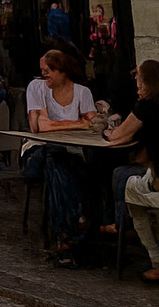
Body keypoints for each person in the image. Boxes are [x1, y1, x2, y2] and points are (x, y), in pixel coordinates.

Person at [24, 48, 96, 258]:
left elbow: (94, 124)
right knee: (54, 156)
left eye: (48, 70)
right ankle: (76, 223)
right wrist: (79, 124)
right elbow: (40, 127)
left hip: (70, 153)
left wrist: (68, 124)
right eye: (42, 70)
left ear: (62, 71)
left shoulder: (82, 92)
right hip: (35, 153)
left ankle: (63, 232)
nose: (44, 74)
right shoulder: (37, 87)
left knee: (57, 164)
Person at [104, 60, 159, 283]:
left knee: (128, 187)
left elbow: (118, 136)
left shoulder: (145, 106)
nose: (137, 88)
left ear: (147, 83)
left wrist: (108, 132)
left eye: (139, 83)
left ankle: (156, 260)